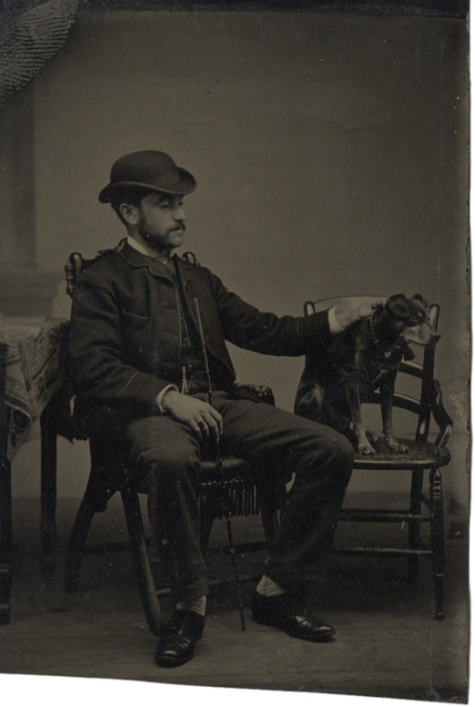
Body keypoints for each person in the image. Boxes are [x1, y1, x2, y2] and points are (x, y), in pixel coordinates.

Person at [68, 150, 368, 669]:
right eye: (167, 204)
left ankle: (277, 589)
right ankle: (188, 605)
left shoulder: (198, 279)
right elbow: (92, 366)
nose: (182, 215)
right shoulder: (104, 278)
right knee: (169, 460)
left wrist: (334, 319)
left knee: (331, 448)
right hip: (150, 415)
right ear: (129, 212)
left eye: (181, 203)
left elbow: (267, 330)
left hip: (219, 404)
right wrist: (168, 397)